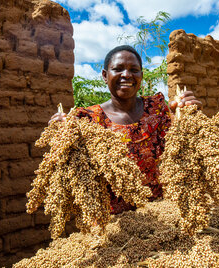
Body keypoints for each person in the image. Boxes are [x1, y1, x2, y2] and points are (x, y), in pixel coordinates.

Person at [49, 45, 202, 214]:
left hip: (161, 211)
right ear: (105, 76)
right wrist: (62, 138)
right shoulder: (87, 120)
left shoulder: (157, 109)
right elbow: (76, 171)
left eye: (134, 70)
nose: (127, 75)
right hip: (112, 221)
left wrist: (185, 116)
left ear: (141, 76)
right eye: (118, 69)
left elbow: (180, 148)